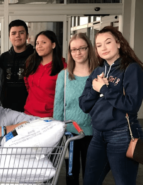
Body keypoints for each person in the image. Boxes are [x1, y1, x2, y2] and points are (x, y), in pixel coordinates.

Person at [79, 26, 143, 185]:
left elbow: (131, 105)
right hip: (98, 135)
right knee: (89, 181)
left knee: (124, 182)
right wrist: (96, 91)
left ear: (119, 43)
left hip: (121, 135)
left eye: (108, 42)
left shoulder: (131, 69)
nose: (103, 48)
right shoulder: (97, 71)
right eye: (99, 45)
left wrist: (103, 89)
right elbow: (84, 105)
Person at [53, 33, 98, 185]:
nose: (77, 53)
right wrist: (57, 130)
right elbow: (58, 105)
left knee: (90, 173)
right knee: (72, 173)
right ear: (70, 53)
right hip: (70, 132)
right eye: (73, 49)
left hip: (94, 132)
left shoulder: (98, 74)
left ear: (89, 49)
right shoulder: (64, 76)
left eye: (82, 48)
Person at [24, 30, 67, 117]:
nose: (39, 46)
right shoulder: (31, 63)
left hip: (51, 116)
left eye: (43, 42)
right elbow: (27, 84)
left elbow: (65, 94)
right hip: (28, 114)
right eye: (37, 43)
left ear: (53, 45)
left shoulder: (63, 67)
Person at [0, 19, 34, 112]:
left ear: (27, 35)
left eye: (21, 32)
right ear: (9, 36)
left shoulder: (35, 56)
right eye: (13, 33)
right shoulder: (3, 57)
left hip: (30, 107)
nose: (17, 36)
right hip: (6, 108)